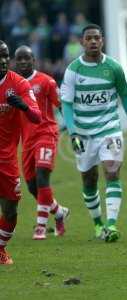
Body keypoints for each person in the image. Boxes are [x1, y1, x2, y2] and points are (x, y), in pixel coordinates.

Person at [60, 24, 127, 242]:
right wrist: (73, 132)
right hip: (84, 134)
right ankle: (97, 224)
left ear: (102, 40)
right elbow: (66, 104)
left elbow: (125, 96)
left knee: (112, 171)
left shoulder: (114, 68)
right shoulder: (73, 70)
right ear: (82, 42)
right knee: (89, 179)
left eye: (97, 38)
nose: (93, 41)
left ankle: (111, 225)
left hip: (109, 129)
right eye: (89, 38)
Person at [14, 45, 69, 240]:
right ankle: (59, 211)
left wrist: (72, 128)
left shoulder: (46, 81)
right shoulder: (12, 85)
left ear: (34, 60)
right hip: (27, 141)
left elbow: (62, 105)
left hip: (46, 133)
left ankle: (40, 227)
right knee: (31, 186)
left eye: (26, 58)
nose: (22, 62)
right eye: (19, 59)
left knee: (42, 177)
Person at [0, 40, 41, 264]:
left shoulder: (20, 84)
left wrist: (23, 106)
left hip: (6, 158)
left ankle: (0, 249)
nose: (4, 60)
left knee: (10, 210)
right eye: (0, 56)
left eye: (6, 56)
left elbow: (37, 116)